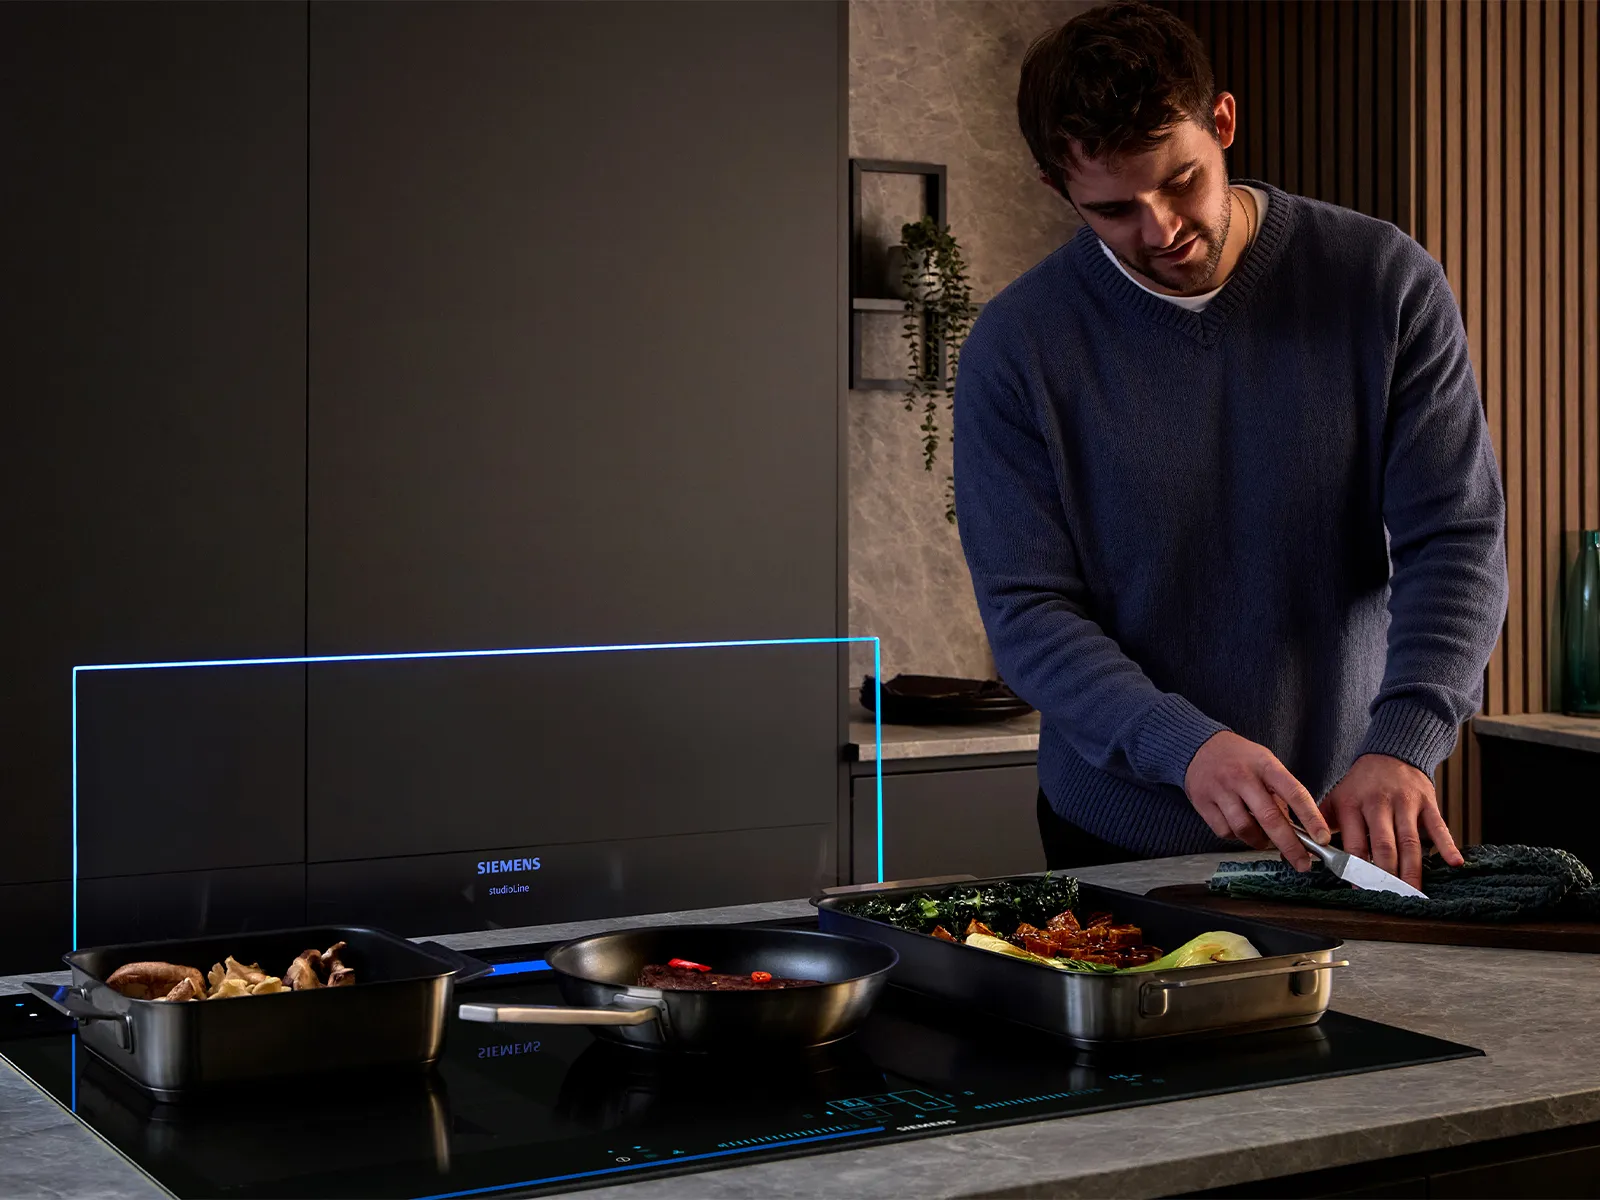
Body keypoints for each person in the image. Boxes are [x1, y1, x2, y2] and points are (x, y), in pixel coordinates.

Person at [953, 1, 1508, 889]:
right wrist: (1185, 746)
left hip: (1347, 818)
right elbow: (1028, 611)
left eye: (1181, 181)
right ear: (1058, 188)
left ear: (1223, 122)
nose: (1162, 231)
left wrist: (1405, 740)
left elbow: (1456, 541)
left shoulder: (1381, 281)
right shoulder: (1017, 347)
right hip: (1117, 830)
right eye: (1115, 210)